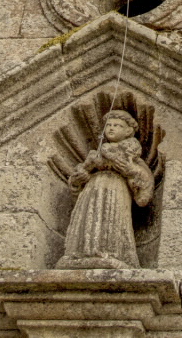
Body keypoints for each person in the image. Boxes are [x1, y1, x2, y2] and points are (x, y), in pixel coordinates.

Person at [57, 109, 154, 269]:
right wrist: (81, 176)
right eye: (108, 125)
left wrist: (130, 170)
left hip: (116, 189)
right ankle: (80, 253)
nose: (111, 128)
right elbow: (76, 181)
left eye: (117, 125)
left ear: (128, 131)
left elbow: (145, 185)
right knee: (89, 217)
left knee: (111, 217)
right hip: (92, 189)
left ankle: (112, 253)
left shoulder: (131, 156)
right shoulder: (95, 154)